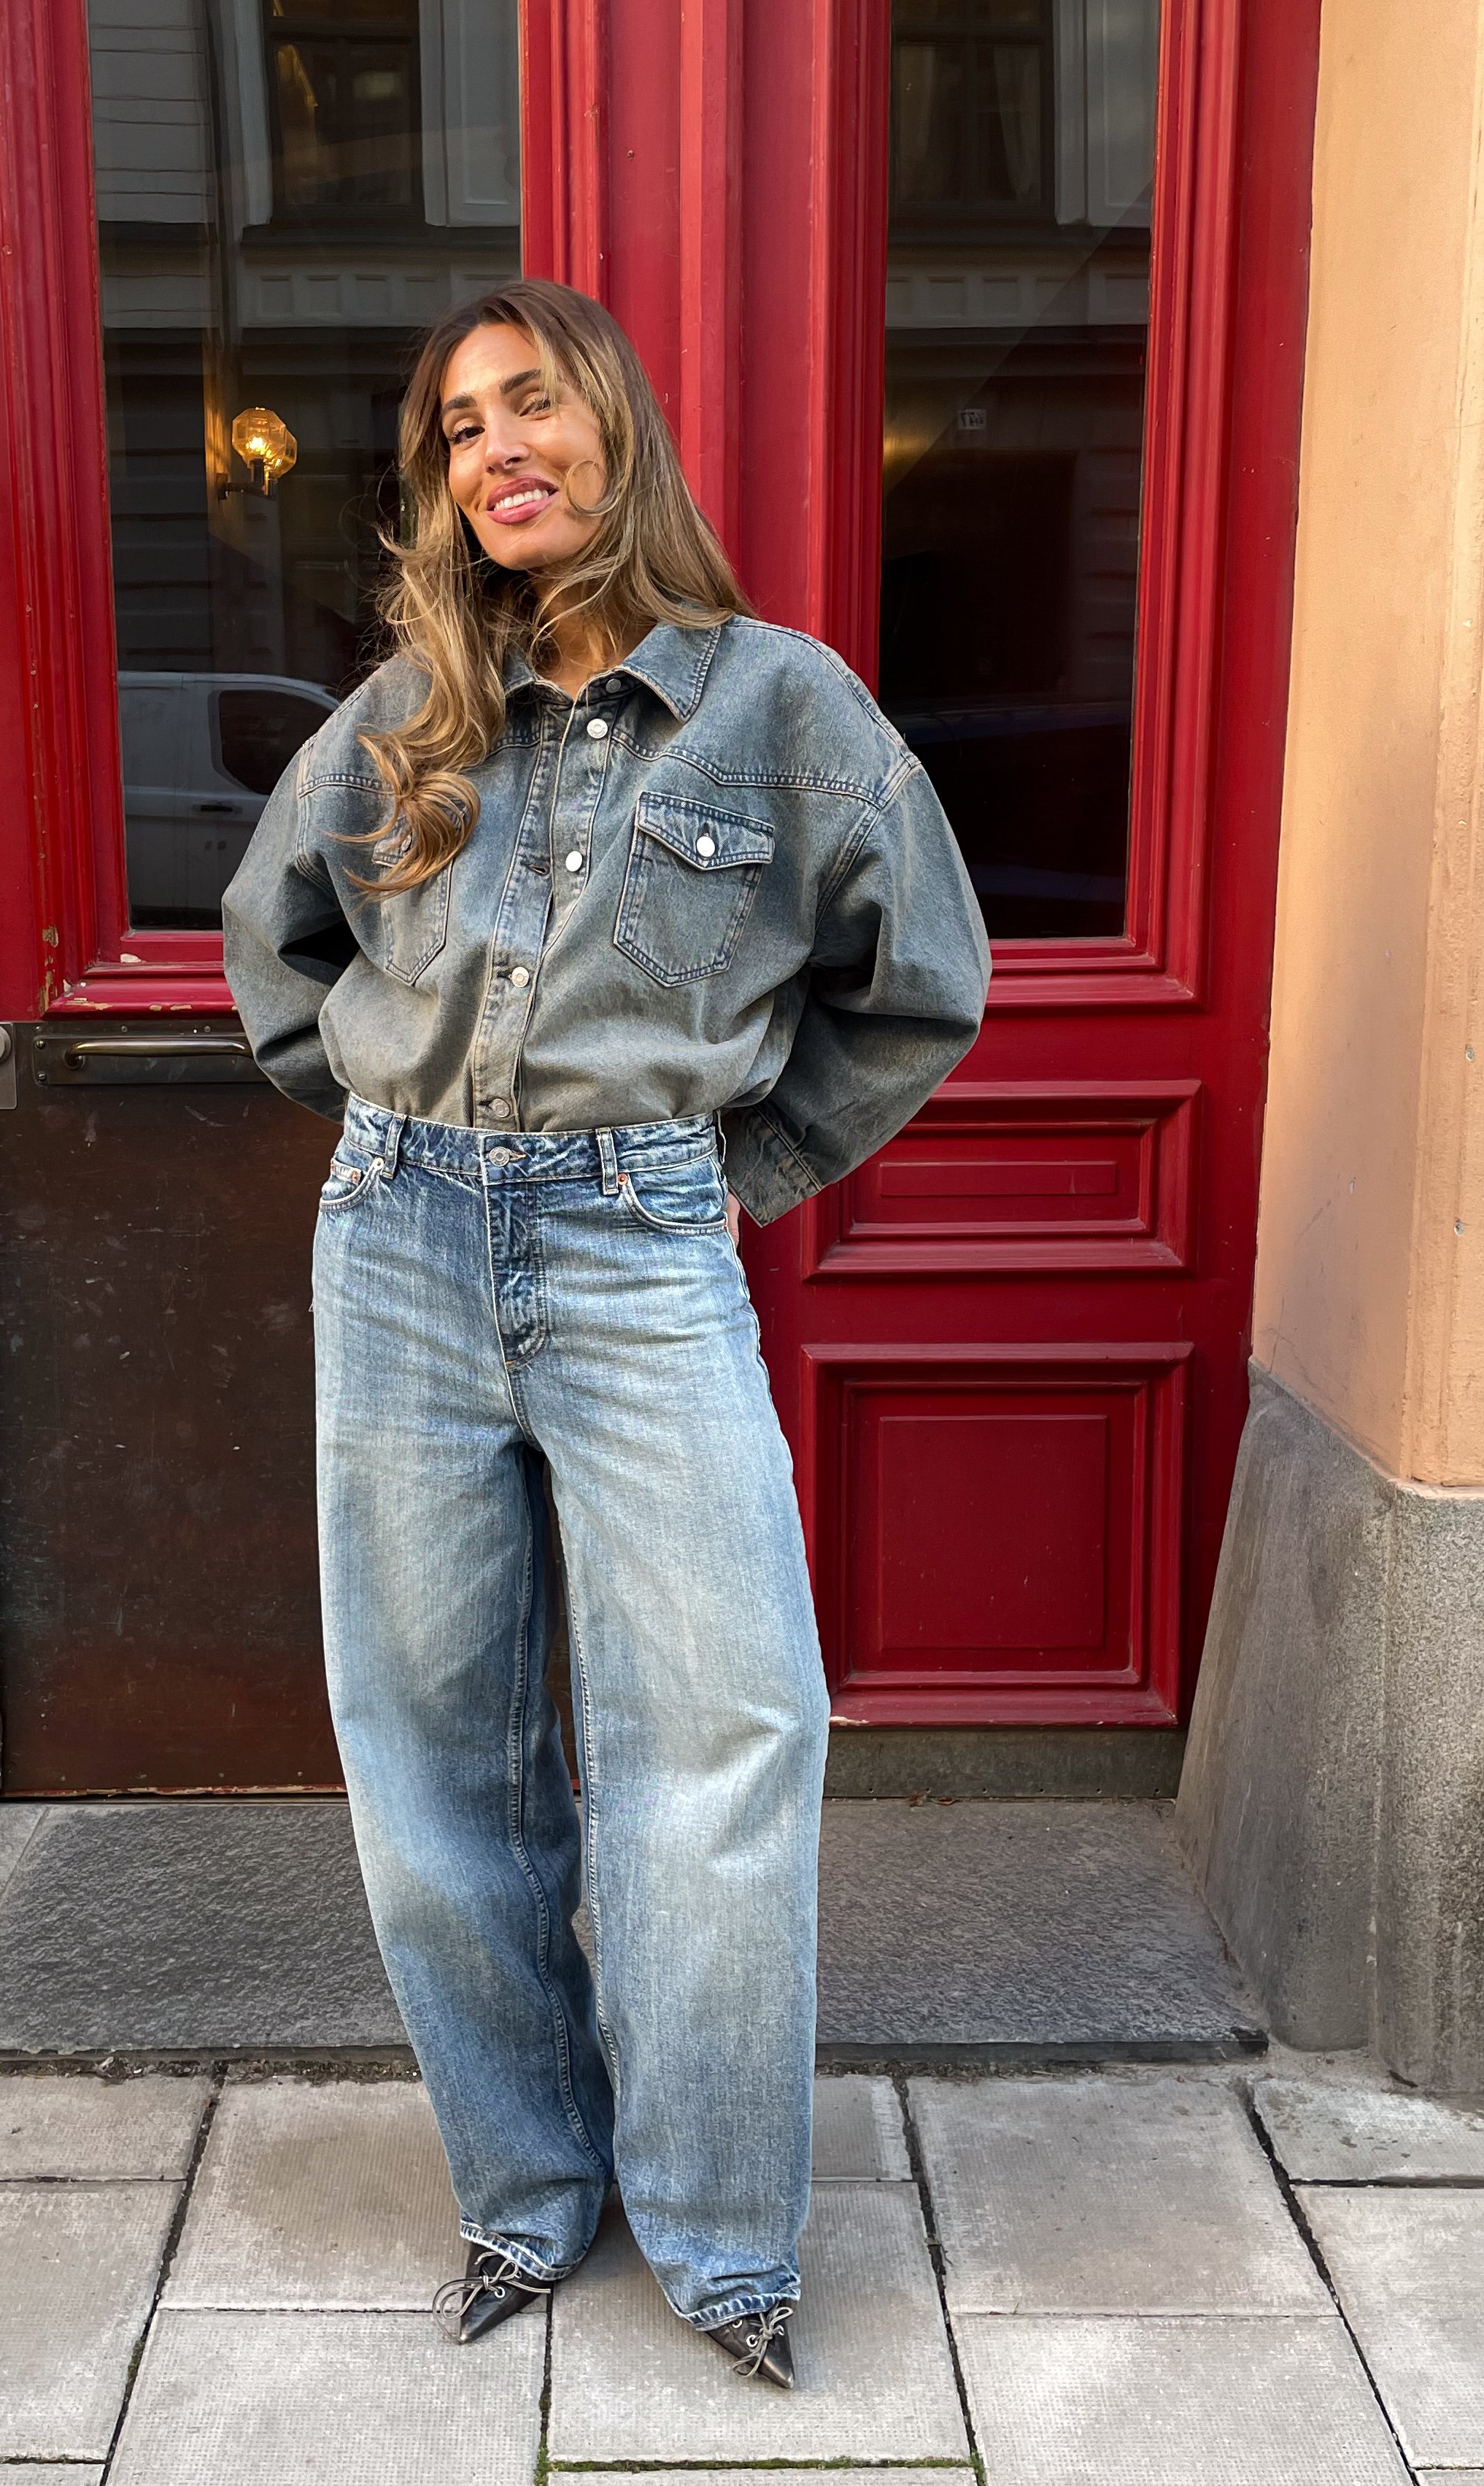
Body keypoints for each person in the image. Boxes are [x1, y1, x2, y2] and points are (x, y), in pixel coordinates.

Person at [223, 278, 987, 2389]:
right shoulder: (406, 714)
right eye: (460, 426)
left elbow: (920, 977)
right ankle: (529, 2187)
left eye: (532, 401)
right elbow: (277, 944)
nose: (499, 447)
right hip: (401, 1244)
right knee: (433, 1748)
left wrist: (732, 1168)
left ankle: (723, 2232)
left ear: (616, 425)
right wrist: (378, 1115)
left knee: (727, 1729)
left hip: (644, 1246)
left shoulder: (782, 706)